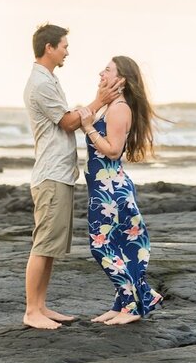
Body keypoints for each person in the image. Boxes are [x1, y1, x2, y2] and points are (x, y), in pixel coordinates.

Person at [22, 24, 123, 330]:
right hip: (51, 174)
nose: (68, 50)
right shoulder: (40, 83)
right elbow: (67, 123)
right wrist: (99, 101)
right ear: (49, 47)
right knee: (43, 244)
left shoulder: (49, 79)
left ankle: (41, 306)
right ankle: (31, 311)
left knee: (51, 245)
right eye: (64, 45)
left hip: (59, 173)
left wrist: (94, 105)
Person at [75, 56, 165, 325]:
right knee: (118, 246)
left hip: (110, 190)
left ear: (122, 79)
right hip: (106, 187)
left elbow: (113, 150)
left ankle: (136, 304)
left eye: (108, 69)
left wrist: (88, 127)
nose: (101, 71)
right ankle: (127, 302)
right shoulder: (111, 106)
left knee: (101, 247)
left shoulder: (119, 109)